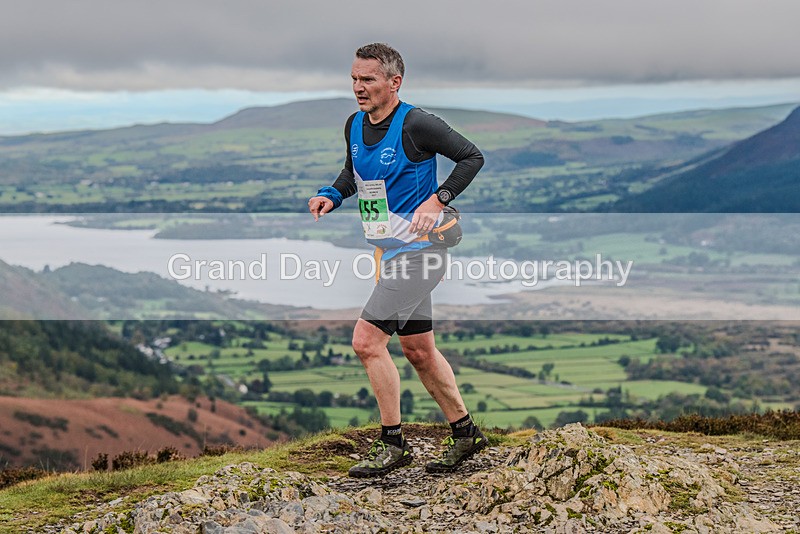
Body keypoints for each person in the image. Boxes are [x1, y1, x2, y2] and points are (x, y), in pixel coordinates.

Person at [308, 43, 485, 477]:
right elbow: (354, 175)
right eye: (353, 78)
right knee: (419, 350)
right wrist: (331, 195)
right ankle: (466, 435)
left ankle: (393, 444)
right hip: (389, 254)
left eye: (367, 79)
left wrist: (439, 199)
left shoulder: (416, 123)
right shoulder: (354, 124)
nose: (357, 87)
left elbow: (471, 156)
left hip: (422, 254)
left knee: (367, 342)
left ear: (394, 82)